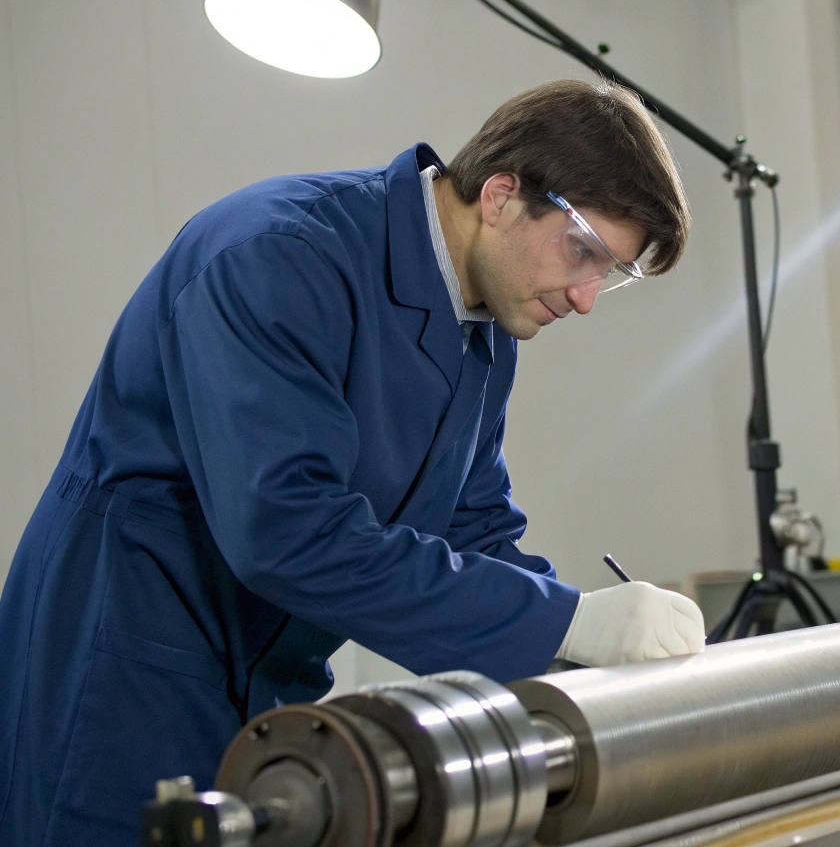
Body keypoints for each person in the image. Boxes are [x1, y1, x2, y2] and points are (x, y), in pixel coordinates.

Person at [0, 79, 708, 846]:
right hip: (121, 670)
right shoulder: (278, 255)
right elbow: (286, 530)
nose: (586, 298)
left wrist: (585, 655)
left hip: (268, 680)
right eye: (583, 252)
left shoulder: (483, 324)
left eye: (610, 273)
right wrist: (561, 622)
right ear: (502, 195)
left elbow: (470, 528)